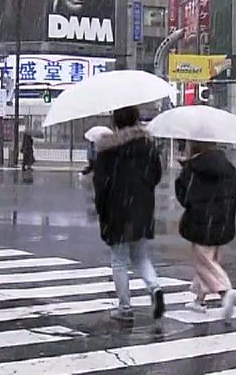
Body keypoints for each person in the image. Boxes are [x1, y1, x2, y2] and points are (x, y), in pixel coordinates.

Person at [92, 106, 165, 322]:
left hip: (116, 210)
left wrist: (101, 209)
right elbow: (156, 176)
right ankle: (155, 289)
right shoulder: (148, 146)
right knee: (141, 256)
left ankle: (125, 308)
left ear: (115, 122)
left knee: (119, 260)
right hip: (142, 207)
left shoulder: (107, 150)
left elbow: (101, 185)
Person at [174, 141, 236, 318]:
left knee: (204, 261)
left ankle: (225, 291)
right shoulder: (228, 167)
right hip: (221, 222)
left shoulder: (193, 169)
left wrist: (184, 171)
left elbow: (184, 197)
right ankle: (199, 299)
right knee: (209, 259)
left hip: (201, 222)